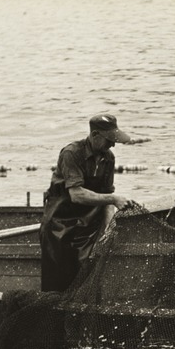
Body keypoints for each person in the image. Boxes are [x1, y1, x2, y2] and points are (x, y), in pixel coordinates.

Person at [40, 113, 140, 291]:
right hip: (59, 224)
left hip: (86, 224)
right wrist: (113, 199)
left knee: (87, 276)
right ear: (95, 136)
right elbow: (77, 195)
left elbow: (108, 197)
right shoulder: (71, 153)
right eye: (109, 140)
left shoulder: (108, 158)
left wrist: (108, 229)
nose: (113, 144)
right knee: (58, 281)